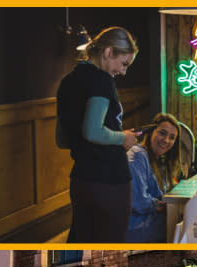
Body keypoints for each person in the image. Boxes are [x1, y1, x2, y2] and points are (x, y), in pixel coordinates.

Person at [55, 26, 140, 243]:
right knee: (111, 245)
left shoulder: (67, 81)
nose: (124, 72)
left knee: (81, 240)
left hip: (81, 180)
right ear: (108, 52)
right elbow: (93, 131)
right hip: (110, 180)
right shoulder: (101, 81)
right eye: (124, 64)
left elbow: (62, 139)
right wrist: (123, 138)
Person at [125, 113, 182, 242]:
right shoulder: (137, 155)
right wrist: (164, 206)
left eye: (172, 137)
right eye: (162, 133)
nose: (166, 140)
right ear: (151, 132)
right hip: (136, 230)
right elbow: (138, 201)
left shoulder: (156, 160)